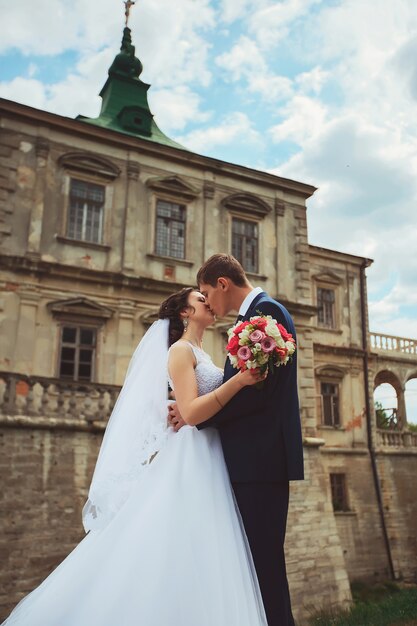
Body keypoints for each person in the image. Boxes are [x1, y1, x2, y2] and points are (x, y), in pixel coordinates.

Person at [2, 287, 268, 626]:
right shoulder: (179, 350)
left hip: (212, 452)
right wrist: (241, 381)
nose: (209, 303)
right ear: (185, 313)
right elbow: (192, 412)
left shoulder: (205, 351)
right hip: (194, 455)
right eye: (200, 301)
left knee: (202, 549)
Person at [168, 254, 304, 626]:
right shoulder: (255, 318)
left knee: (264, 566)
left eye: (208, 292)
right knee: (252, 566)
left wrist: (194, 416)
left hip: (258, 462)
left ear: (223, 284)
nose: (208, 301)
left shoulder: (266, 316)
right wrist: (192, 411)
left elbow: (257, 393)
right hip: (251, 461)